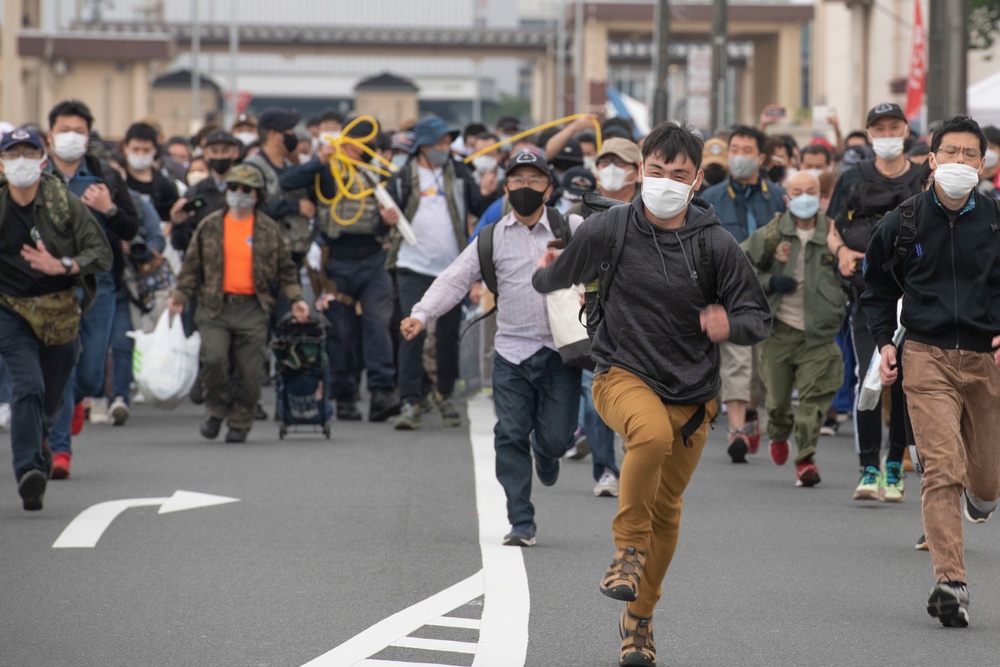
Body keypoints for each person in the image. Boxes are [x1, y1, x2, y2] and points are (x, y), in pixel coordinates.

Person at [533, 122, 772, 667]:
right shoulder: (610, 227)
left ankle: (638, 621)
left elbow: (758, 319)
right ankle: (626, 551)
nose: (664, 182)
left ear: (696, 182)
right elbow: (553, 279)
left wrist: (728, 323)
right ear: (641, 171)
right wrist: (548, 271)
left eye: (678, 175)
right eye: (656, 171)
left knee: (668, 508)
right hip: (620, 372)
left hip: (694, 393)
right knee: (649, 434)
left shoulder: (717, 244)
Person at [401, 147, 581, 546]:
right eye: (517, 181)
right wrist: (421, 314)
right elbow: (454, 279)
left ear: (548, 189)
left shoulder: (571, 227)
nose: (525, 188)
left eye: (534, 181)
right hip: (512, 354)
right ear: (505, 188)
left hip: (561, 352)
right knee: (510, 433)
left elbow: (603, 265)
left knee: (556, 437)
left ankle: (548, 450)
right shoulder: (490, 238)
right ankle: (521, 521)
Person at [861, 115, 1000, 628]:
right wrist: (883, 343)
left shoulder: (995, 220)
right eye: (951, 153)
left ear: (982, 164)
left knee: (986, 484)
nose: (960, 163)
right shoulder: (902, 222)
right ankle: (951, 582)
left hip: (986, 359)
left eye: (971, 154)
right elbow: (875, 289)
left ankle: (981, 500)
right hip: (926, 355)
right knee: (942, 468)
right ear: (933, 160)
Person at [0, 127, 112, 510]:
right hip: (10, 310)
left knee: (49, 400)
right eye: (12, 155)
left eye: (28, 154)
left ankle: (43, 437)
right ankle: (29, 473)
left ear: (43, 160)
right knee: (26, 386)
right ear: (1, 163)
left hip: (59, 312)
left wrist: (62, 264)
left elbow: (102, 252)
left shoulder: (63, 202)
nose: (21, 162)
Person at [167, 164, 309, 443]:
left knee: (250, 369)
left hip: (252, 308)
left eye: (246, 190)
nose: (239, 194)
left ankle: (241, 419)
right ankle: (216, 410)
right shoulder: (211, 225)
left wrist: (296, 299)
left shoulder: (268, 229)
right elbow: (192, 266)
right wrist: (179, 297)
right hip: (214, 306)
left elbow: (286, 270)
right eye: (233, 188)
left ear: (257, 195)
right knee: (215, 359)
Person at [827, 102, 923, 502]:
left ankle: (894, 465)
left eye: (894, 126)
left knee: (904, 381)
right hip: (866, 295)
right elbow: (833, 229)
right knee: (869, 375)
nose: (887, 133)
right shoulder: (852, 177)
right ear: (868, 134)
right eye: (878, 128)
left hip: (915, 296)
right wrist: (841, 254)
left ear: (905, 129)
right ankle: (869, 466)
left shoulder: (924, 176)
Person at [278, 119, 401, 423]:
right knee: (342, 331)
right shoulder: (326, 171)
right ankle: (344, 395)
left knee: (378, 324)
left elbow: (396, 212)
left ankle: (382, 393)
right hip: (336, 261)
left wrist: (387, 221)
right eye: (348, 144)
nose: (352, 151)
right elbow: (288, 181)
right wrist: (320, 160)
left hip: (373, 259)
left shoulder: (378, 174)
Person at [44, 99, 140, 479]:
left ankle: (82, 400)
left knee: (90, 376)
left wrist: (108, 208)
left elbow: (131, 228)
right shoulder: (35, 175)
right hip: (50, 286)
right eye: (64, 130)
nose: (71, 137)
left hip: (98, 285)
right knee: (61, 367)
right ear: (50, 136)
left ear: (89, 137)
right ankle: (60, 450)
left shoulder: (107, 177)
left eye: (78, 131)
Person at [386, 116, 499, 430]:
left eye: (448, 142)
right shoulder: (402, 177)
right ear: (422, 145)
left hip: (452, 268)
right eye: (438, 143)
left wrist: (489, 192)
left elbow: (478, 205)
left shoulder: (459, 171)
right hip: (411, 265)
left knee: (449, 336)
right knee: (412, 330)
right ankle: (410, 400)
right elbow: (383, 216)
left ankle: (443, 393)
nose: (444, 148)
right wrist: (385, 216)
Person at [741, 171, 847, 485]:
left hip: (818, 335)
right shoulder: (772, 233)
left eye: (811, 191)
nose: (805, 197)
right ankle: (776, 433)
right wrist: (770, 281)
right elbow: (741, 263)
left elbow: (855, 268)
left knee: (812, 404)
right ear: (787, 198)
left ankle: (806, 461)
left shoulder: (833, 233)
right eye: (797, 191)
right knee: (777, 403)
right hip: (778, 331)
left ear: (821, 196)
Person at [701, 125, 786, 463]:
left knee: (762, 369)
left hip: (771, 289)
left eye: (746, 150)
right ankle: (737, 427)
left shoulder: (779, 197)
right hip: (729, 289)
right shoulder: (712, 198)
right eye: (734, 149)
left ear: (761, 158)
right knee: (736, 358)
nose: (738, 156)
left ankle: (752, 413)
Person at [244, 107, 316, 267]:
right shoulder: (252, 169)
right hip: (264, 255)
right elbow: (251, 208)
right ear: (273, 135)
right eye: (289, 131)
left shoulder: (291, 168)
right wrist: (294, 207)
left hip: (293, 253)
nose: (293, 136)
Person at [170, 129, 243, 253]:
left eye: (225, 150)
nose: (220, 156)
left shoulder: (245, 189)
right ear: (205, 154)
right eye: (214, 151)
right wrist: (178, 224)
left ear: (235, 153)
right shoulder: (195, 192)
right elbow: (181, 243)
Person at [122, 122, 179, 222]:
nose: (141, 154)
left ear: (155, 150)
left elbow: (170, 220)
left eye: (146, 150)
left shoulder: (165, 186)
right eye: (136, 149)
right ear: (126, 148)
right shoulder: (116, 178)